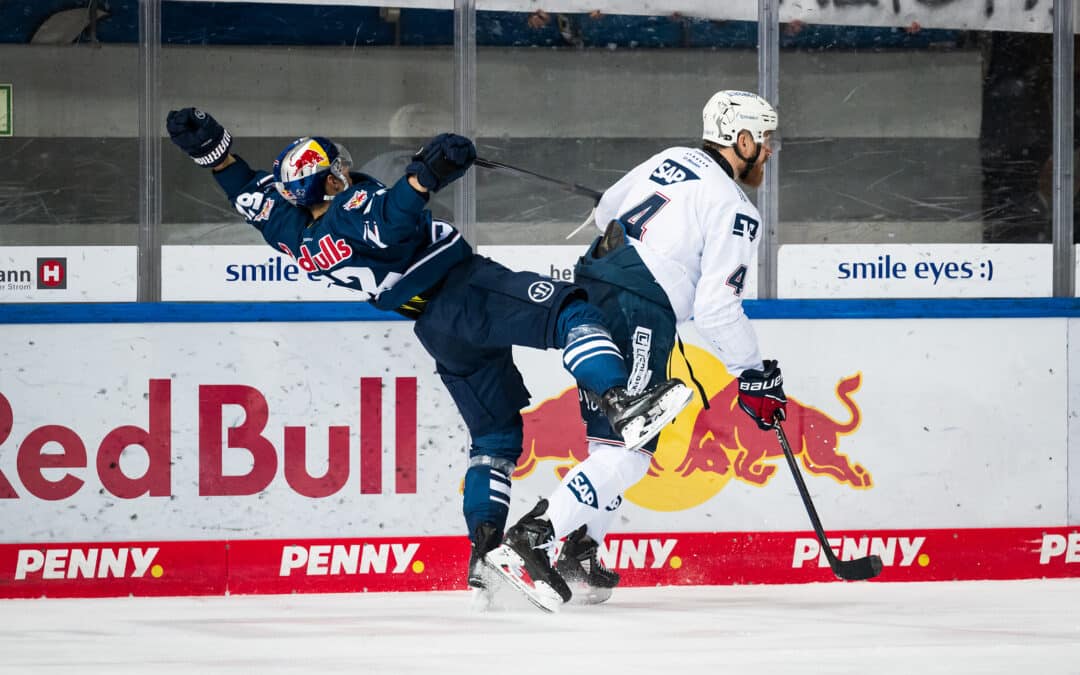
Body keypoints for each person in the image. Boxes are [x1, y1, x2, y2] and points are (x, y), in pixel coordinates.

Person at [164, 107, 693, 603]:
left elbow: (248, 191)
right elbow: (391, 222)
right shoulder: (351, 208)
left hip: (435, 328)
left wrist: (213, 152)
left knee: (494, 439)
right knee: (573, 314)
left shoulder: (291, 230)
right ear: (327, 181)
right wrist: (425, 173)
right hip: (467, 291)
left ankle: (486, 560)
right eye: (338, 168)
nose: (346, 172)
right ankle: (620, 399)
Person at [483, 90, 788, 607]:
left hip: (590, 292)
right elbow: (717, 308)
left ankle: (580, 547)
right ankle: (532, 539)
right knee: (631, 451)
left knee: (611, 441)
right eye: (765, 139)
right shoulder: (738, 209)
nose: (770, 150)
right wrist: (753, 373)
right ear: (741, 139)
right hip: (637, 306)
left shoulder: (669, 159)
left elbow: (607, 214)